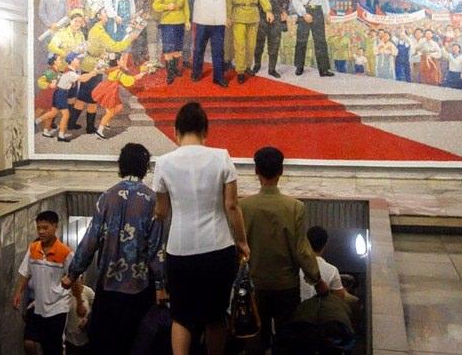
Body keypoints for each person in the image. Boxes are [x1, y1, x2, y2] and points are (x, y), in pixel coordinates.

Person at [153, 102, 250, 355]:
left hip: (179, 249)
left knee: (181, 316)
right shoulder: (222, 157)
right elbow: (232, 206)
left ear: (176, 131)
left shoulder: (163, 163)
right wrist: (242, 242)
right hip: (218, 247)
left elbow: (161, 211)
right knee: (215, 316)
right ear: (206, 130)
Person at [64, 143, 165, 354]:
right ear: (145, 167)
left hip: (108, 287)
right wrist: (160, 284)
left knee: (106, 345)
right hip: (139, 288)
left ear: (121, 165)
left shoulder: (106, 197)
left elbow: (90, 240)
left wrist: (73, 273)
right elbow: (156, 248)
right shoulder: (152, 200)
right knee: (138, 344)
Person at [239, 147, 327, 355]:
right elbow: (301, 250)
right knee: (287, 342)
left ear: (256, 171)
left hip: (255, 286)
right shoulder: (295, 207)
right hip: (286, 286)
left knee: (255, 341)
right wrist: (317, 280)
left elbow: (238, 247)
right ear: (281, 170)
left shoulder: (243, 206)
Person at [68, 7, 140, 135]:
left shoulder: (98, 28)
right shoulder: (99, 31)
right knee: (91, 98)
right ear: (99, 16)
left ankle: (73, 123)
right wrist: (130, 38)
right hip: (93, 67)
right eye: (105, 12)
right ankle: (88, 127)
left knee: (83, 97)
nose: (107, 14)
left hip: (90, 65)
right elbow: (115, 46)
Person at [12, 210, 74, 355]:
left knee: (54, 346)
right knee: (44, 344)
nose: (41, 231)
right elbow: (25, 272)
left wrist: (81, 303)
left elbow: (75, 277)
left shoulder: (65, 252)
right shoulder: (33, 249)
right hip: (39, 306)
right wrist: (18, 292)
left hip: (59, 306)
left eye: (45, 228)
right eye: (38, 228)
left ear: (55, 226)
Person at [226, 0, 273, 84]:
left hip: (253, 15)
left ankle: (247, 66)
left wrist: (268, 11)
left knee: (251, 45)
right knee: (240, 45)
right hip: (239, 16)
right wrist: (228, 16)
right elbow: (228, 1)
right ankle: (240, 71)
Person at [291, 0, 333, 77]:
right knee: (301, 40)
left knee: (320, 41)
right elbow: (295, 0)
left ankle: (323, 69)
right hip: (304, 12)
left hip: (318, 12)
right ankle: (299, 66)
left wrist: (326, 14)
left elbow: (324, 0)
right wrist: (304, 13)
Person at [91, 52, 147, 139]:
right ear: (117, 61)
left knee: (119, 107)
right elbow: (129, 80)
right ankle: (99, 131)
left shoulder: (113, 68)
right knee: (110, 112)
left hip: (109, 89)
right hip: (110, 91)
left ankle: (106, 121)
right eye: (122, 59)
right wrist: (141, 74)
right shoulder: (117, 72)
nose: (123, 61)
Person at [153, 0, 191, 84]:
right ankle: (170, 73)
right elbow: (155, 6)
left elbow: (186, 7)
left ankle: (175, 68)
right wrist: (166, 6)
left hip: (180, 21)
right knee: (169, 48)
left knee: (178, 47)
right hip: (167, 23)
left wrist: (187, 21)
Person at [253, 0, 289, 77]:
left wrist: (284, 11)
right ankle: (257, 65)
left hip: (276, 18)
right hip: (261, 18)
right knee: (258, 43)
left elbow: (285, 1)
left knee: (274, 44)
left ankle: (272, 69)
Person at [299, 226, 346, 302]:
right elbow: (339, 299)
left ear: (306, 242)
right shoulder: (332, 270)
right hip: (321, 309)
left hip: (298, 309)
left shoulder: (296, 266)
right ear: (325, 245)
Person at [141, 0, 168, 65]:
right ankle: (153, 60)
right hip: (151, 16)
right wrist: (144, 13)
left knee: (161, 38)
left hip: (163, 16)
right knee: (152, 38)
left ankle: (159, 61)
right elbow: (141, 0)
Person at [63, 276, 93, 354]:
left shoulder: (88, 291)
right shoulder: (65, 293)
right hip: (70, 337)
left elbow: (98, 307)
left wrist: (88, 319)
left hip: (85, 336)